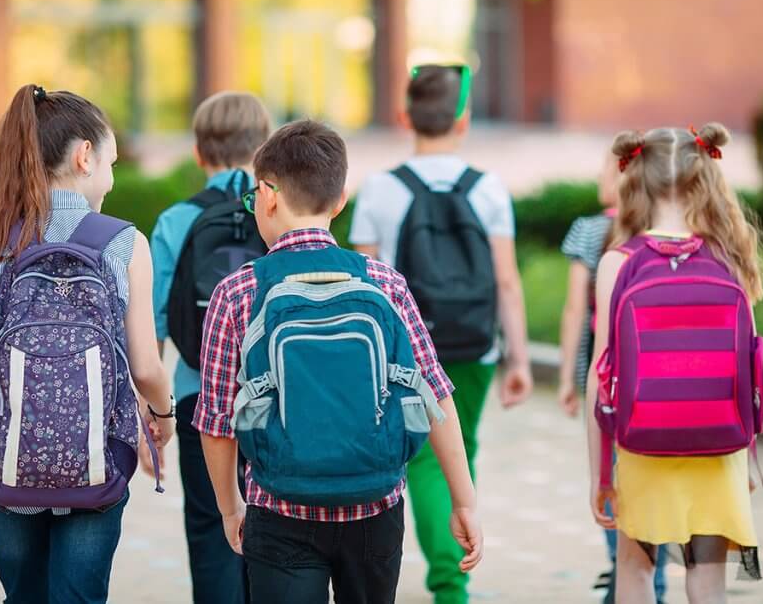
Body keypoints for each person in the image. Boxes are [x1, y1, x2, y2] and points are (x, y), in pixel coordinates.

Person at [194, 119, 483, 604]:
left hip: (279, 507)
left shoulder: (238, 292)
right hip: (375, 506)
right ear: (341, 199)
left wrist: (230, 507)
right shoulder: (384, 283)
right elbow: (434, 392)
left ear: (267, 195)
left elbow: (217, 421)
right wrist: (465, 501)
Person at [0, 84, 175, 604]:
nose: (112, 176)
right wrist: (163, 418)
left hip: (6, 465)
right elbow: (146, 366)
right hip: (97, 465)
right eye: (111, 163)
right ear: (85, 156)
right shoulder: (124, 243)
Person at [349, 64, 531, 604]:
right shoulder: (489, 188)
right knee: (462, 446)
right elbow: (506, 279)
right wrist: (517, 357)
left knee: (425, 459)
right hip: (476, 343)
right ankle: (454, 581)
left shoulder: (381, 188)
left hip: (409, 349)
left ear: (406, 116)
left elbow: (366, 284)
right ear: (463, 120)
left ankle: (450, 583)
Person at [587, 124, 763, 604]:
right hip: (720, 448)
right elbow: (747, 364)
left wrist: (601, 473)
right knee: (706, 581)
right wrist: (748, 454)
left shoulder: (618, 263)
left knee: (635, 570)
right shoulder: (730, 258)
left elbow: (600, 378)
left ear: (634, 180)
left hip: (643, 448)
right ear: (706, 178)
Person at [149, 91, 271, 604]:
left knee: (209, 524)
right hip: (275, 397)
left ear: (199, 154)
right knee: (275, 529)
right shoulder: (278, 210)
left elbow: (151, 324)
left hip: (199, 398)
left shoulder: (177, 221)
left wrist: (148, 414)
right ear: (266, 147)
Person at [558, 151, 668, 603]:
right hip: (654, 385)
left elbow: (573, 309)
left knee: (611, 477)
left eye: (606, 171)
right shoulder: (656, 236)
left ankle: (627, 574)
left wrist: (567, 376)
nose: (600, 177)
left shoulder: (589, 230)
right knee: (649, 479)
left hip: (604, 384)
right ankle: (650, 578)